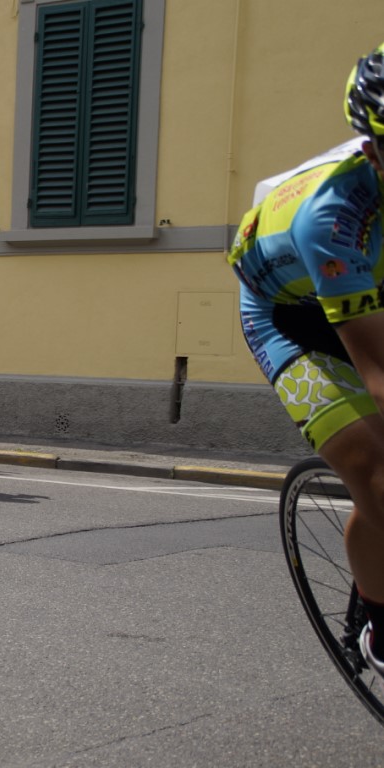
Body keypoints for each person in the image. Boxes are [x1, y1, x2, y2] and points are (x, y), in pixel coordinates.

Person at [228, 42, 384, 674]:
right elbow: (378, 375)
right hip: (288, 314)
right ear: (373, 150)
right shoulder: (334, 217)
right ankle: (380, 622)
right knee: (375, 469)